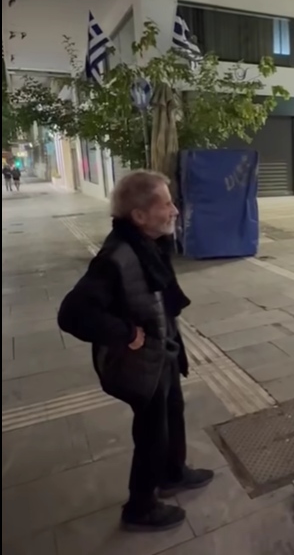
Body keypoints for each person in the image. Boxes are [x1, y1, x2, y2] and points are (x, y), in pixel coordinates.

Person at [57, 170, 214, 532]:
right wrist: (125, 332)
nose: (175, 210)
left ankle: (173, 473)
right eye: (166, 203)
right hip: (139, 364)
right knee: (151, 432)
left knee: (173, 410)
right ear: (139, 216)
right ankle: (140, 506)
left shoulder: (149, 243)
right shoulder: (117, 256)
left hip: (163, 352)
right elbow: (73, 313)